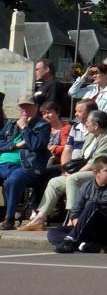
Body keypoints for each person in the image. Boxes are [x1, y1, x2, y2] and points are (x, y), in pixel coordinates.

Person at [19, 110, 107, 232]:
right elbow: (83, 158)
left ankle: (72, 219)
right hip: (90, 173)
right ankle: (40, 218)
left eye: (88, 122)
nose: (86, 124)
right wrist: (69, 170)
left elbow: (97, 162)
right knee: (54, 182)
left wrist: (75, 173)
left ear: (96, 125)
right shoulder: (92, 135)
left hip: (105, 175)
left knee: (73, 179)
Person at [47, 158, 107, 254]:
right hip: (89, 228)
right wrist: (80, 229)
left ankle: (70, 241)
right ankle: (83, 246)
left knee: (93, 206)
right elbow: (75, 213)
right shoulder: (85, 187)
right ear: (96, 173)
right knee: (53, 233)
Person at [0, 94, 51, 229]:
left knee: (13, 181)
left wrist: (25, 128)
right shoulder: (10, 124)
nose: (24, 111)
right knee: (10, 179)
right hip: (3, 165)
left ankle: (9, 219)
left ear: (35, 108)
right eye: (22, 108)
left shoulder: (43, 125)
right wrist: (14, 146)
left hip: (27, 166)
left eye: (28, 107)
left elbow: (36, 146)